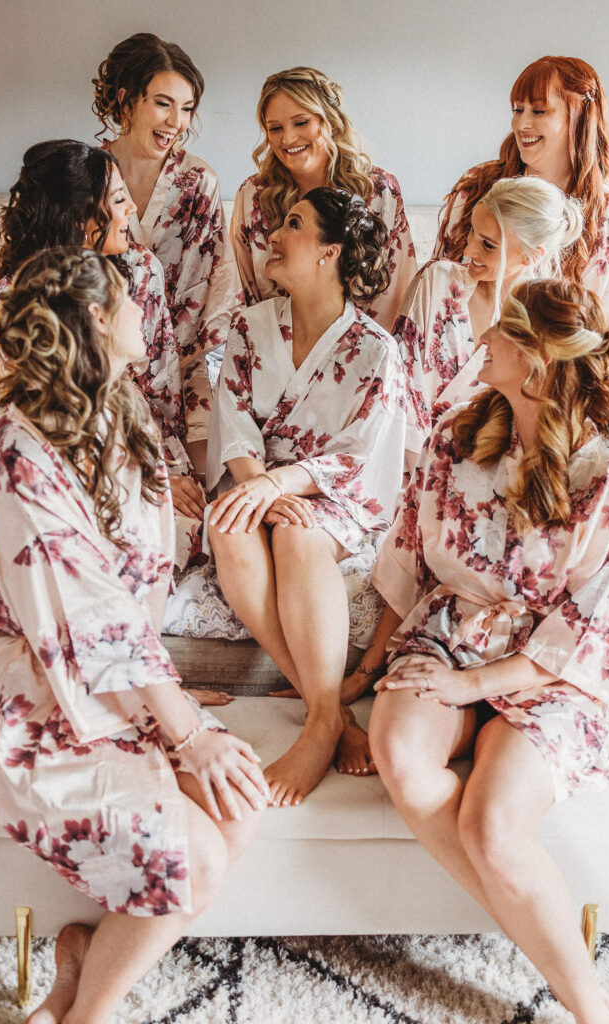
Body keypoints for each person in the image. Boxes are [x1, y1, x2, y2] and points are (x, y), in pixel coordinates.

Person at [0, 247, 267, 1024]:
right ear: (99, 317)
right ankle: (89, 1017)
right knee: (193, 859)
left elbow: (134, 589)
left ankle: (78, 986)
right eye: (135, 302)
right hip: (40, 698)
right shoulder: (14, 449)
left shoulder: (123, 412)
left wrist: (164, 699)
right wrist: (181, 728)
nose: (149, 314)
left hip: (124, 685)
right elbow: (83, 610)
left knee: (239, 806)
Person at [368, 278, 609, 1024]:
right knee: (399, 751)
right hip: (450, 634)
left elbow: (597, 626)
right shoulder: (454, 437)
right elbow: (406, 558)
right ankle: (529, 917)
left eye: (501, 328)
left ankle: (590, 1003)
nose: (481, 333)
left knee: (490, 825)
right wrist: (357, 677)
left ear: (534, 357)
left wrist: (481, 685)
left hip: (553, 671)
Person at [206, 188, 406, 806]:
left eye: (293, 225)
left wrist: (281, 486)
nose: (274, 233)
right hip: (256, 478)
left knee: (296, 533)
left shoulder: (376, 350)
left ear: (329, 252)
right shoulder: (247, 327)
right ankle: (330, 716)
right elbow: (233, 420)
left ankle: (319, 723)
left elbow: (356, 454)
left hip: (332, 493)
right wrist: (257, 486)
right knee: (227, 524)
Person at [0, 139, 211, 568]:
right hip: (67, 452)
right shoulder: (14, 300)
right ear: (81, 217)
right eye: (120, 200)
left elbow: (163, 387)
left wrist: (167, 468)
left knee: (196, 533)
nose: (131, 213)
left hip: (149, 442)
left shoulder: (141, 271)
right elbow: (41, 413)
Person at [433, 56, 609, 388]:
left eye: (539, 111)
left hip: (552, 391)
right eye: (518, 110)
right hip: (458, 378)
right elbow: (438, 295)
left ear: (579, 115)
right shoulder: (476, 188)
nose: (521, 124)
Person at [93, 32, 244, 479]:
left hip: (183, 360)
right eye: (163, 103)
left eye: (187, 107)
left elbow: (208, 284)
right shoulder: (87, 178)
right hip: (106, 359)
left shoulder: (198, 181)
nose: (176, 121)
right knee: (130, 474)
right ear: (126, 100)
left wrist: (166, 368)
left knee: (206, 479)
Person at [396, 175, 583, 466]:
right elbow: (398, 388)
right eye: (472, 231)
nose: (469, 251)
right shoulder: (437, 282)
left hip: (494, 473)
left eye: (488, 245)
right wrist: (425, 472)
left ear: (531, 256)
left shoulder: (544, 323)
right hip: (410, 463)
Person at [231, 66, 416, 332]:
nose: (288, 138)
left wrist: (360, 356)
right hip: (270, 352)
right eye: (275, 128)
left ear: (329, 120)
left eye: (301, 122)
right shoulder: (253, 196)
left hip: (362, 356)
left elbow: (397, 294)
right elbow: (243, 290)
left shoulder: (378, 192)